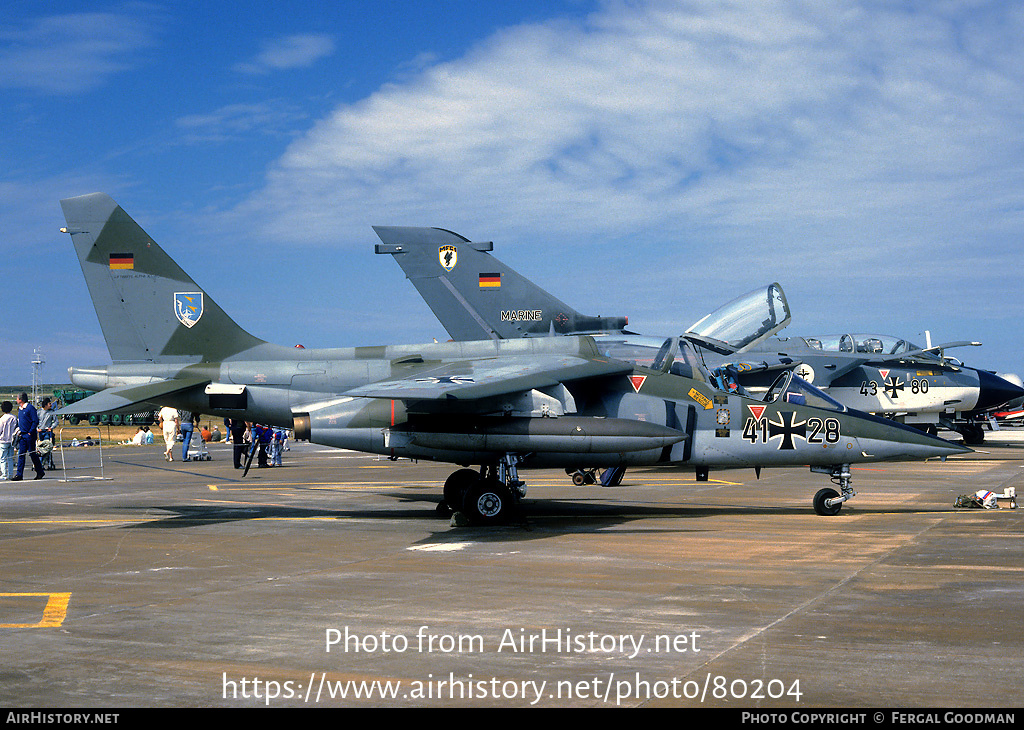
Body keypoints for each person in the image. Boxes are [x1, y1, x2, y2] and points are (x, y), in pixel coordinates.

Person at [13, 392, 44, 481]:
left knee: (32, 453)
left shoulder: (30, 408)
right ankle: (19, 474)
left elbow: (35, 420)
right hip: (22, 435)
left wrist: (30, 431)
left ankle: (39, 471)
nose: (16, 400)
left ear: (21, 399)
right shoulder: (20, 409)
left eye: (17, 398)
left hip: (29, 434)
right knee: (21, 454)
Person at [37, 397, 58, 469]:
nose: (51, 405)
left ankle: (41, 464)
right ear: (45, 405)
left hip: (47, 432)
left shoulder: (52, 412)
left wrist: (51, 427)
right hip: (40, 432)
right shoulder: (39, 412)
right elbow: (35, 421)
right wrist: (37, 429)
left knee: (46, 448)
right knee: (41, 448)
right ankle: (49, 462)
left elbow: (56, 421)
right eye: (49, 403)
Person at [0, 401, 17, 481]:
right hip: (12, 440)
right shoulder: (14, 418)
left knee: (2, 458)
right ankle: (10, 474)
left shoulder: (2, 418)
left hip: (3, 440)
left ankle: (4, 474)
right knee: (10, 458)